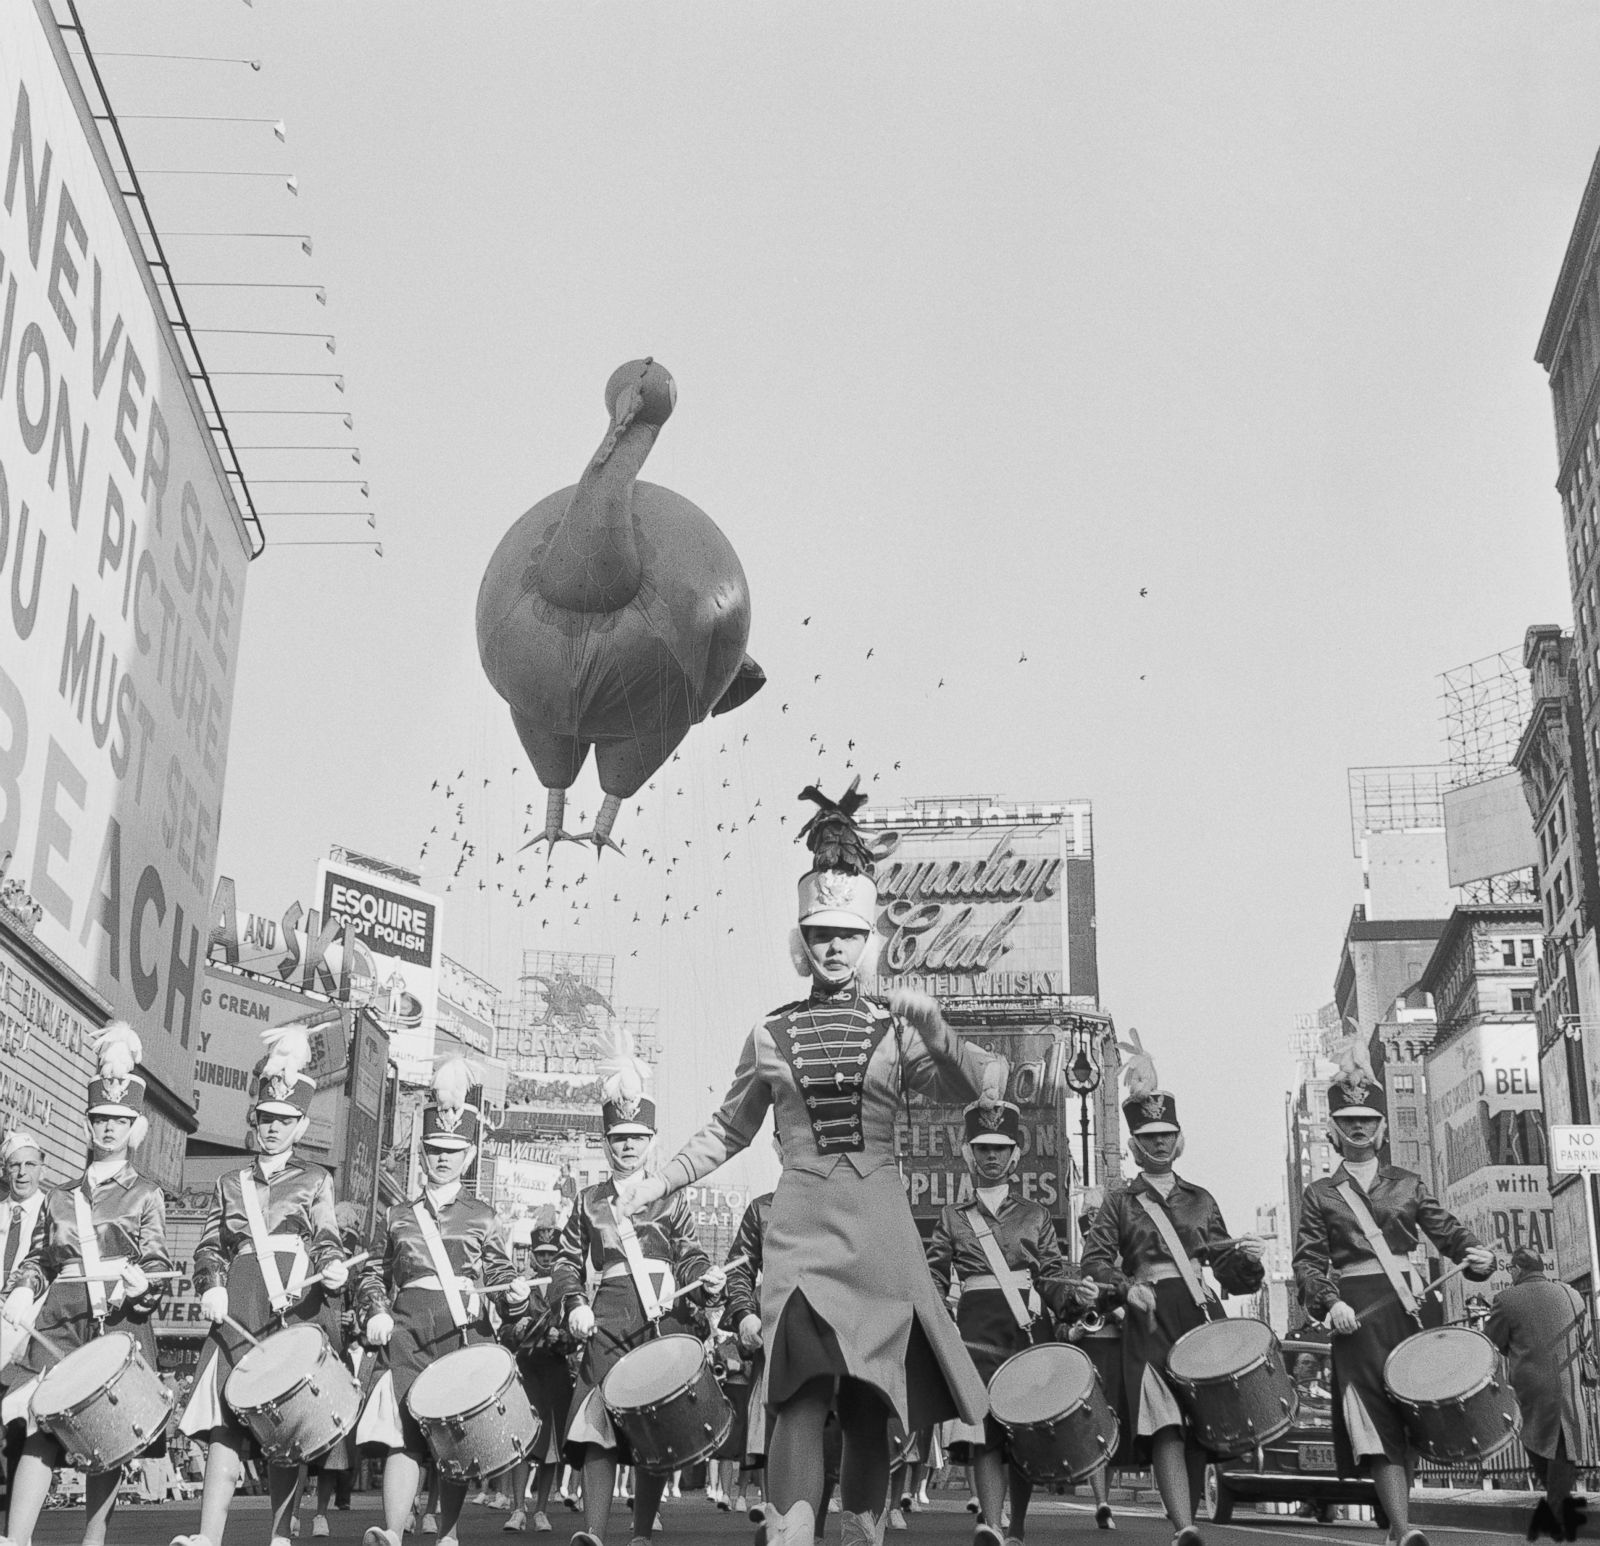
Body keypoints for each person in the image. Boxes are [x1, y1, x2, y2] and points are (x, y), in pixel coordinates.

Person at [614, 779, 1002, 1546]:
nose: (832, 945)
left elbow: (979, 1090)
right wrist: (655, 1181)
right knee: (795, 1388)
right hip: (798, 1229)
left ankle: (860, 1531)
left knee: (866, 1399)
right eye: (819, 932)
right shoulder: (767, 1032)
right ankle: (792, 1535)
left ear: (868, 941)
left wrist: (936, 1025)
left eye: (846, 934)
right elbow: (729, 1127)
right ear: (802, 940)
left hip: (882, 1229)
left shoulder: (899, 1027)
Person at [1293, 1041, 1494, 1546]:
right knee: (1374, 1416)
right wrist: (1329, 1302)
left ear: (1382, 1127)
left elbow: (1447, 1232)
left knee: (1415, 1409)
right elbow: (1308, 1262)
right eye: (1348, 1120)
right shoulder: (1320, 1193)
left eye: (1368, 1119)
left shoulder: (1408, 1182)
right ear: (1334, 1129)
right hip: (1354, 1314)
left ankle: (1394, 1520)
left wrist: (1476, 1255)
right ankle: (1404, 1529)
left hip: (1410, 1305)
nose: (1358, 1127)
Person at [1081, 1030, 1264, 1546]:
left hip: (1199, 1310)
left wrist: (1247, 1263)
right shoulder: (1120, 1201)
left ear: (1177, 1137)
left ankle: (1188, 1511)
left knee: (1200, 1416)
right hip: (1148, 1316)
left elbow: (1227, 1270)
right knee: (1162, 1418)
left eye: (1167, 1133)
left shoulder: (1201, 1199)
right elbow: (1093, 1262)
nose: (1159, 1141)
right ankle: (1183, 1524)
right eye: (1149, 1135)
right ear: (1136, 1144)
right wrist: (1123, 1288)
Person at [172, 1024, 351, 1546]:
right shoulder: (231, 1183)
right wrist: (210, 1283)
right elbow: (209, 1246)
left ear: (300, 1126)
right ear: (255, 1122)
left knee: (285, 1424)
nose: (273, 1128)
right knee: (226, 1421)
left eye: (284, 1121)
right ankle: (208, 1535)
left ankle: (280, 1536)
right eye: (266, 1119)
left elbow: (326, 1238)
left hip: (294, 1299)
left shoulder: (316, 1179)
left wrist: (335, 1266)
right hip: (240, 1301)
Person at [0, 1023, 173, 1546]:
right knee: (38, 1424)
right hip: (61, 1317)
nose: (107, 1128)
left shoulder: (146, 1193)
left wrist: (143, 1283)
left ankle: (93, 1540)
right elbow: (39, 1258)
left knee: (108, 1435)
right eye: (99, 1119)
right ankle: (16, 1539)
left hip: (117, 1317)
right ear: (89, 1124)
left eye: (118, 1120)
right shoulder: (59, 1196)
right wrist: (25, 1289)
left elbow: (159, 1263)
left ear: (132, 1126)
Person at [548, 1039, 726, 1546]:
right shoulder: (588, 1200)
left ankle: (642, 1533)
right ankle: (594, 1533)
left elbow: (688, 1252)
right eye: (618, 1136)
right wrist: (574, 1302)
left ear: (652, 1138)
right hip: (607, 1319)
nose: (628, 1145)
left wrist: (707, 1275)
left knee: (657, 1428)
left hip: (661, 1318)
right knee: (596, 1427)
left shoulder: (671, 1195)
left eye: (637, 1136)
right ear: (605, 1140)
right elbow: (564, 1262)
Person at [352, 1058, 530, 1546]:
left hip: (462, 1331)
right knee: (404, 1435)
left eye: (453, 1149)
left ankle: (446, 1534)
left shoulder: (484, 1216)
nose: (443, 1157)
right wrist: (375, 1311)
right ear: (423, 1152)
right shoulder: (396, 1215)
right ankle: (391, 1532)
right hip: (408, 1332)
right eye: (434, 1148)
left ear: (469, 1154)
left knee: (454, 1438)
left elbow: (496, 1271)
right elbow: (371, 1272)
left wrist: (512, 1288)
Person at [926, 1096, 1085, 1546]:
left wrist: (1074, 1296)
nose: (991, 1156)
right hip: (976, 1334)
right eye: (982, 1147)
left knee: (1024, 1434)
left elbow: (1052, 1275)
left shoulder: (1035, 1214)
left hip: (1027, 1330)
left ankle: (1015, 1527)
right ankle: (991, 1525)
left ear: (1015, 1155)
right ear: (968, 1153)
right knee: (985, 1433)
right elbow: (935, 1277)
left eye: (1000, 1148)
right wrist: (941, 1326)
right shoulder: (952, 1218)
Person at [1484, 1247, 1593, 1538]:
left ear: (1517, 1270)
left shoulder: (1505, 1300)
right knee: (1564, 1440)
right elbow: (1584, 1337)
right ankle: (1558, 1505)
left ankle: (1556, 1508)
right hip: (1569, 1379)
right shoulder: (1570, 1294)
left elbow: (1492, 1342)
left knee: (1537, 1438)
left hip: (1530, 1384)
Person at [500, 1211, 575, 1534]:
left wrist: (565, 1338)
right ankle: (517, 1507)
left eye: (551, 1254)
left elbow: (579, 1334)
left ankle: (542, 1509)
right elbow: (501, 1329)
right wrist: (515, 1329)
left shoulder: (568, 1289)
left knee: (551, 1445)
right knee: (522, 1442)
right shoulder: (518, 1285)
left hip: (556, 1372)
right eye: (541, 1254)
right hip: (527, 1370)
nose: (546, 1259)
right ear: (532, 1254)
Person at [0, 1129, 49, 1531]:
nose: (21, 1173)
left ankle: (15, 1530)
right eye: (14, 1165)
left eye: (30, 1164)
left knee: (19, 1425)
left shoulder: (56, 1213)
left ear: (42, 1168)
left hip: (29, 1330)